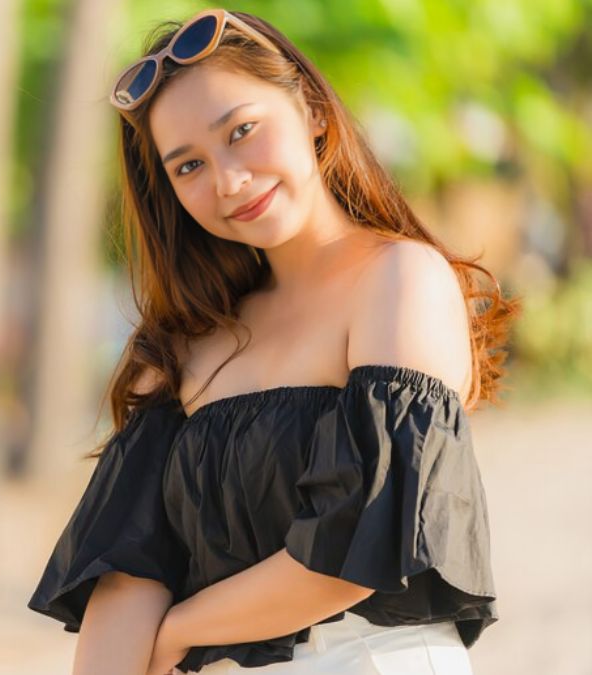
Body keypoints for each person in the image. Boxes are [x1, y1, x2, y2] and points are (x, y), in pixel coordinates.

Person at [27, 9, 518, 675]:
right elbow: (129, 568)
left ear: (312, 109)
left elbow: (362, 541)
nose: (228, 181)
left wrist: (180, 632)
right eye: (189, 165)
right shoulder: (187, 342)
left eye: (243, 131)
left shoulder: (398, 279)